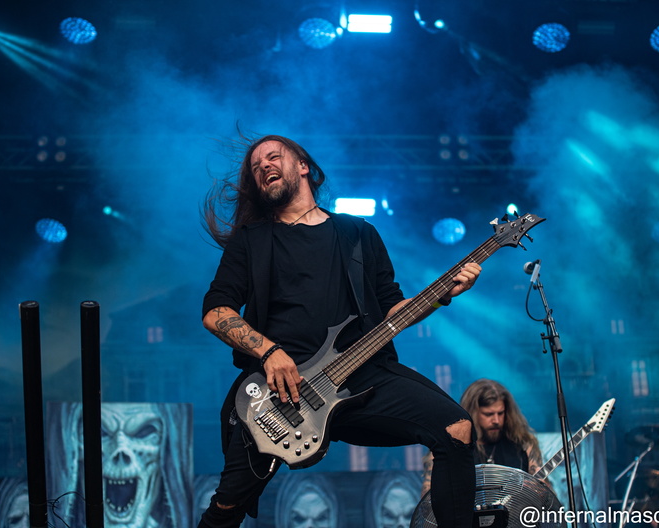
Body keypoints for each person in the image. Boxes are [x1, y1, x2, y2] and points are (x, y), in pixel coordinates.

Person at [198, 134, 482, 528]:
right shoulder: (252, 241)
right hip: (279, 392)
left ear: (304, 166)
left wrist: (441, 296)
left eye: (273, 157)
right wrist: (269, 353)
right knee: (228, 506)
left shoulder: (358, 234)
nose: (263, 167)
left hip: (360, 375)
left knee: (457, 428)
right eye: (256, 167)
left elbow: (391, 310)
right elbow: (216, 312)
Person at [422, 379, 543, 495]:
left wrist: (536, 490)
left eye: (500, 413)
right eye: (488, 414)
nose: (496, 420)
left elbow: (546, 494)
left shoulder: (523, 444)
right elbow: (428, 499)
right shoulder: (449, 447)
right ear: (473, 414)